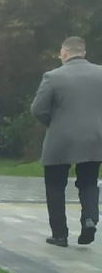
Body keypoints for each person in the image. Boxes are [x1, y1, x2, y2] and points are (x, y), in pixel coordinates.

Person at [29, 36, 102, 247]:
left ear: (63, 53)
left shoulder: (52, 77)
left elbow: (37, 109)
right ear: (84, 53)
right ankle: (89, 219)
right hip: (94, 137)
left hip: (60, 138)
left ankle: (60, 234)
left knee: (54, 184)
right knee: (89, 181)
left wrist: (52, 122)